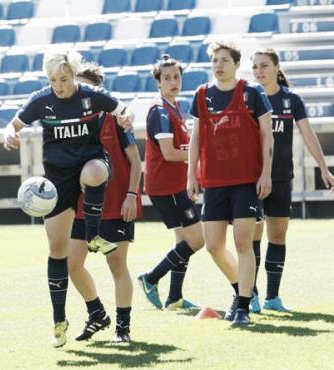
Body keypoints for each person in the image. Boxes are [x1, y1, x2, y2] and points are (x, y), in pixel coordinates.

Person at [3, 48, 134, 347]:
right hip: (58, 179)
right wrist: (9, 133)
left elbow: (123, 109)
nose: (58, 85)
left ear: (73, 74)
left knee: (94, 174)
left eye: (63, 78)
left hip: (92, 162)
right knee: (57, 249)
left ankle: (94, 237)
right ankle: (59, 320)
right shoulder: (41, 100)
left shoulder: (90, 96)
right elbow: (14, 123)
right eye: (53, 80)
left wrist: (127, 118)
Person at [187, 40, 274, 326]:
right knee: (213, 245)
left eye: (224, 60)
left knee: (242, 242)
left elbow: (266, 136)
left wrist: (266, 173)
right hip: (214, 182)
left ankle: (244, 308)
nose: (219, 65)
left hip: (247, 180)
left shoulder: (252, 93)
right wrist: (191, 175)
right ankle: (242, 290)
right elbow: (196, 139)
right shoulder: (201, 95)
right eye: (214, 61)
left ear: (237, 64)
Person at [249, 49, 334, 313]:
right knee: (252, 235)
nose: (259, 71)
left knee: (277, 235)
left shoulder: (291, 99)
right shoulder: (248, 98)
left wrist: (324, 168)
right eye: (255, 67)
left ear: (276, 67)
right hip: (252, 179)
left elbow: (308, 135)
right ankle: (249, 295)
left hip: (282, 179)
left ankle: (272, 298)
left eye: (264, 65)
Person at [67, 62, 141, 344]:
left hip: (117, 206)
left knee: (117, 266)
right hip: (83, 208)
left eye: (84, 87)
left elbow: (135, 162)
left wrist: (132, 195)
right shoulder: (71, 124)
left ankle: (123, 329)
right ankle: (97, 313)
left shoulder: (117, 119)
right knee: (72, 265)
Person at [138, 55, 205, 310]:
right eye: (167, 78)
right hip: (166, 186)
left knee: (183, 241)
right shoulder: (160, 111)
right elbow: (169, 153)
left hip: (176, 184)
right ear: (158, 82)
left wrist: (193, 176)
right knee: (197, 240)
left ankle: (174, 298)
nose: (173, 81)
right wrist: (199, 156)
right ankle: (151, 278)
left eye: (176, 76)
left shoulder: (175, 107)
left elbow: (182, 151)